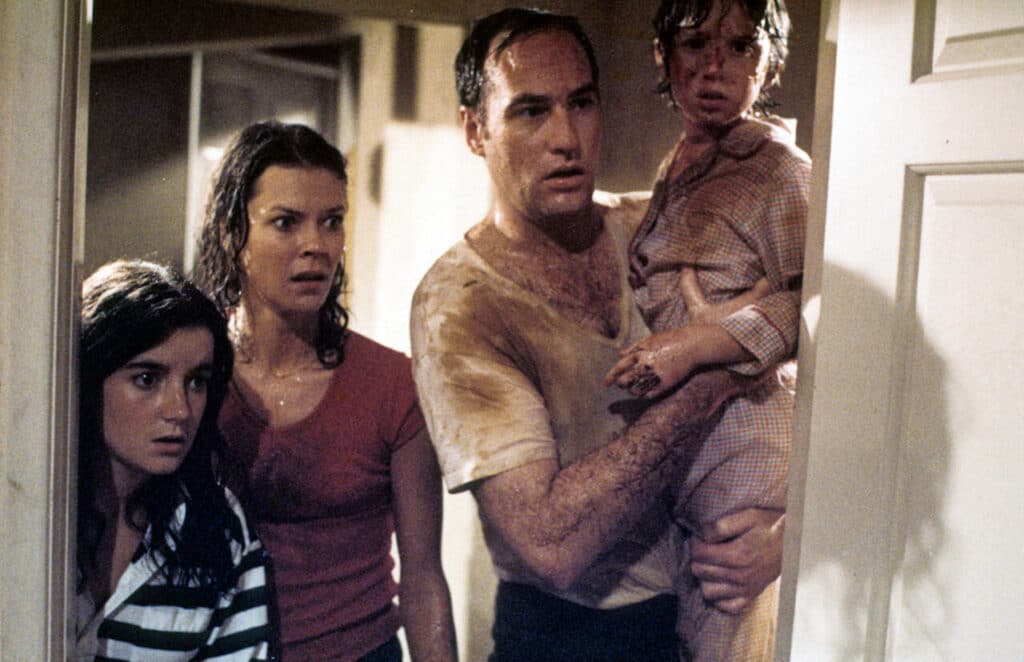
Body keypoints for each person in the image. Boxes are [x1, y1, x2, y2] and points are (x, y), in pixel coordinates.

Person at [410, 9, 784, 660]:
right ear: (475, 130)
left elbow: (815, 349)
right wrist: (719, 370)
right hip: (566, 638)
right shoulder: (459, 304)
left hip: (701, 616)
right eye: (530, 111)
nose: (566, 138)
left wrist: (785, 533)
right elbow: (550, 544)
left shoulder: (656, 224)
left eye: (581, 103)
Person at [193, 121, 456, 661]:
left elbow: (423, 576)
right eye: (285, 223)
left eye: (332, 222)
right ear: (230, 231)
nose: (316, 246)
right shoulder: (193, 375)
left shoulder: (391, 385)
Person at [603, 1, 808, 659]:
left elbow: (819, 309)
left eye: (741, 46)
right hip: (695, 501)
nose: (716, 66)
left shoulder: (779, 170)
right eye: (695, 43)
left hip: (749, 495)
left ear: (768, 64)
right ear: (663, 55)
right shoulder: (681, 165)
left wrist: (697, 345)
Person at [75, 259, 275, 660]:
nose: (180, 410)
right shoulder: (30, 508)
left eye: (196, 382)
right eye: (147, 379)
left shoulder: (216, 522)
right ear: (88, 378)